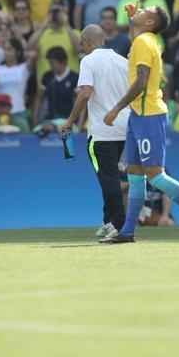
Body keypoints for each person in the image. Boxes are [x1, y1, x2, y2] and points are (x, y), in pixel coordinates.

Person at [103, 4, 179, 243]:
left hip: (148, 116)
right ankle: (127, 232)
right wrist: (134, 19)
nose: (142, 9)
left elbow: (141, 81)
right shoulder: (146, 40)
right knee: (134, 173)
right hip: (139, 115)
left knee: (155, 176)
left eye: (147, 10)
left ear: (151, 22)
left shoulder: (144, 42)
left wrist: (116, 108)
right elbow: (139, 53)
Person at [61, 24, 128, 240]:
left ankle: (118, 225)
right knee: (111, 176)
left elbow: (85, 93)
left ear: (88, 41)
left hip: (101, 132)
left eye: (82, 42)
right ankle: (109, 221)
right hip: (123, 129)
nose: (81, 47)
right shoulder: (122, 62)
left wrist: (70, 120)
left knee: (107, 178)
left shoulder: (88, 61)